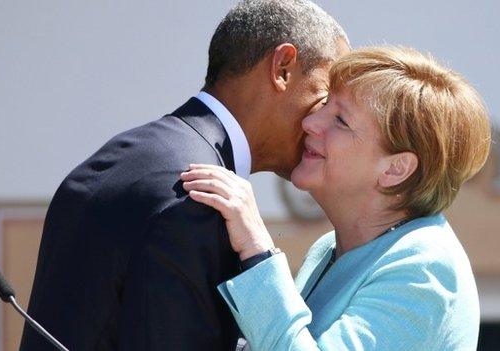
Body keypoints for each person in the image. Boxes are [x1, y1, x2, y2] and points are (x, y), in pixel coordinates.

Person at [20, 1, 348, 350]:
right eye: (326, 99)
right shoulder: (198, 196)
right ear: (283, 68)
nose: (321, 126)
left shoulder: (124, 155)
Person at [181, 46, 491, 350]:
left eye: (340, 120)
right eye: (325, 104)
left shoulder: (424, 268)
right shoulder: (329, 247)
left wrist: (257, 250)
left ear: (396, 169)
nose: (310, 123)